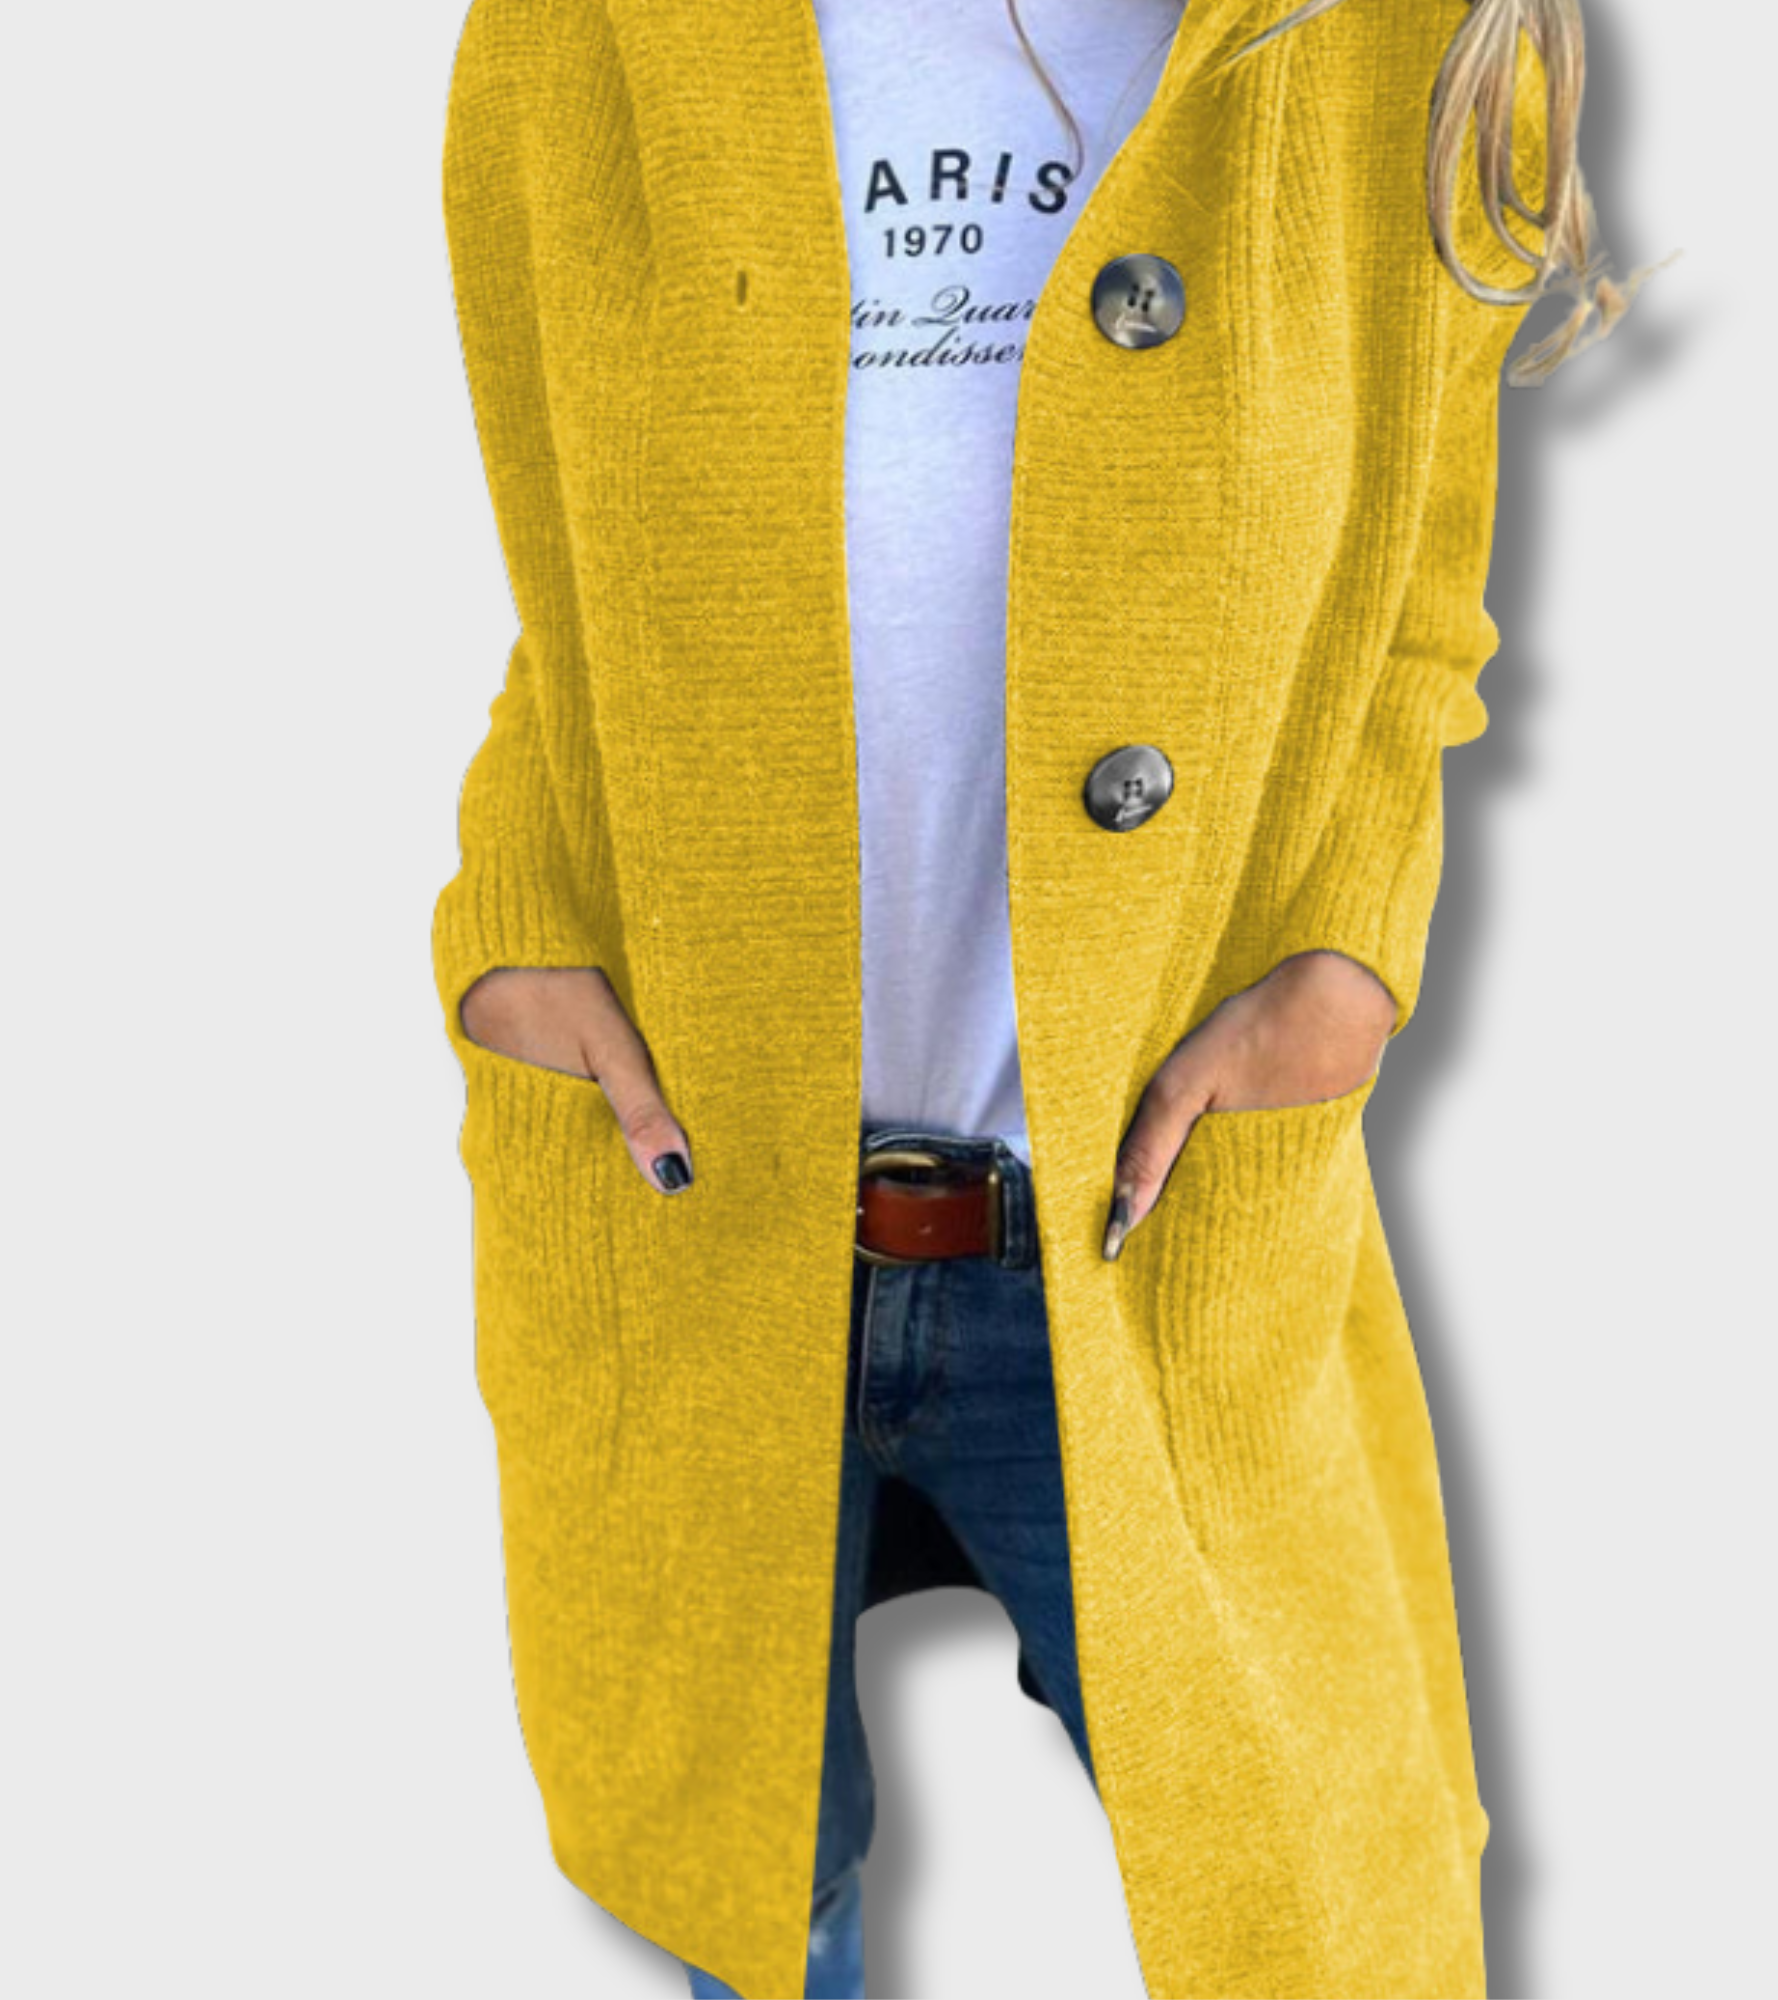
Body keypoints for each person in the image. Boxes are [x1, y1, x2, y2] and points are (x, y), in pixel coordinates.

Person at [433, 2, 1668, 1994]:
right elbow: (563, 577)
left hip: (1150, 1225)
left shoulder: (1396, 44)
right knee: (753, 1896)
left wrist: (1350, 954)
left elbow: (1415, 613)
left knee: (1329, 1916)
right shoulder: (593, 35)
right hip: (696, 1208)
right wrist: (514, 926)